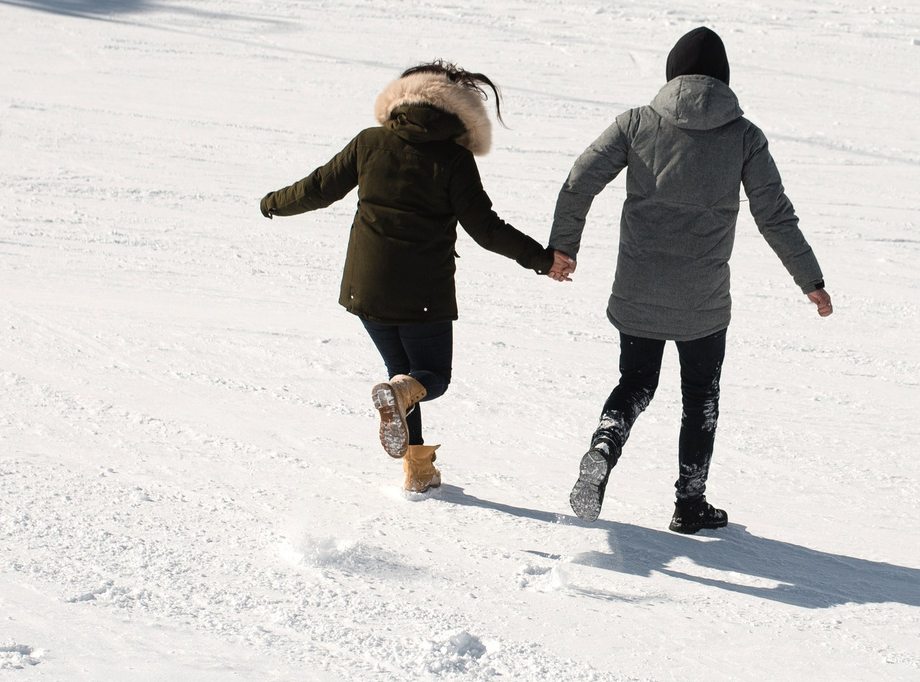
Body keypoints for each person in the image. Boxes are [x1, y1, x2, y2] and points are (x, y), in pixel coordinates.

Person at [550, 26, 830, 532]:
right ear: (723, 79)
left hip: (638, 288)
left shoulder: (636, 124)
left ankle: (604, 445)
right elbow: (775, 215)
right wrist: (808, 278)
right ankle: (689, 503)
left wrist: (564, 247)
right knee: (700, 397)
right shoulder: (744, 136)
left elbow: (578, 183)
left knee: (636, 382)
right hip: (702, 301)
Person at [263, 61, 571, 493]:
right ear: (459, 110)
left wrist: (273, 202)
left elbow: (318, 188)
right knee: (429, 378)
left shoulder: (370, 142)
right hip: (422, 295)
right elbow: (485, 228)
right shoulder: (454, 159)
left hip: (365, 289)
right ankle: (415, 453)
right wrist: (542, 259)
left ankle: (419, 471)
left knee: (401, 378)